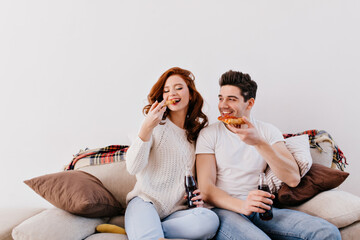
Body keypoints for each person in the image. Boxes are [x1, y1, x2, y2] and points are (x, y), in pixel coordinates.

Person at [195, 70, 341, 240]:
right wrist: (243, 206)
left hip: (260, 209)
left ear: (249, 103)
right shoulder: (209, 134)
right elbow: (206, 189)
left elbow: (293, 178)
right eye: (221, 98)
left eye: (231, 99)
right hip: (223, 211)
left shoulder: (267, 131)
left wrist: (259, 143)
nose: (223, 105)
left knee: (326, 232)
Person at [125, 67, 219, 240]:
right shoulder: (155, 125)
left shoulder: (197, 135)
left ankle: (145, 229)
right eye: (166, 90)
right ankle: (145, 229)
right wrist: (146, 128)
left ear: (190, 94)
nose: (171, 93)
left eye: (178, 88)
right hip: (145, 203)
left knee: (209, 220)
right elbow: (132, 167)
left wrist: (199, 194)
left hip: (176, 213)